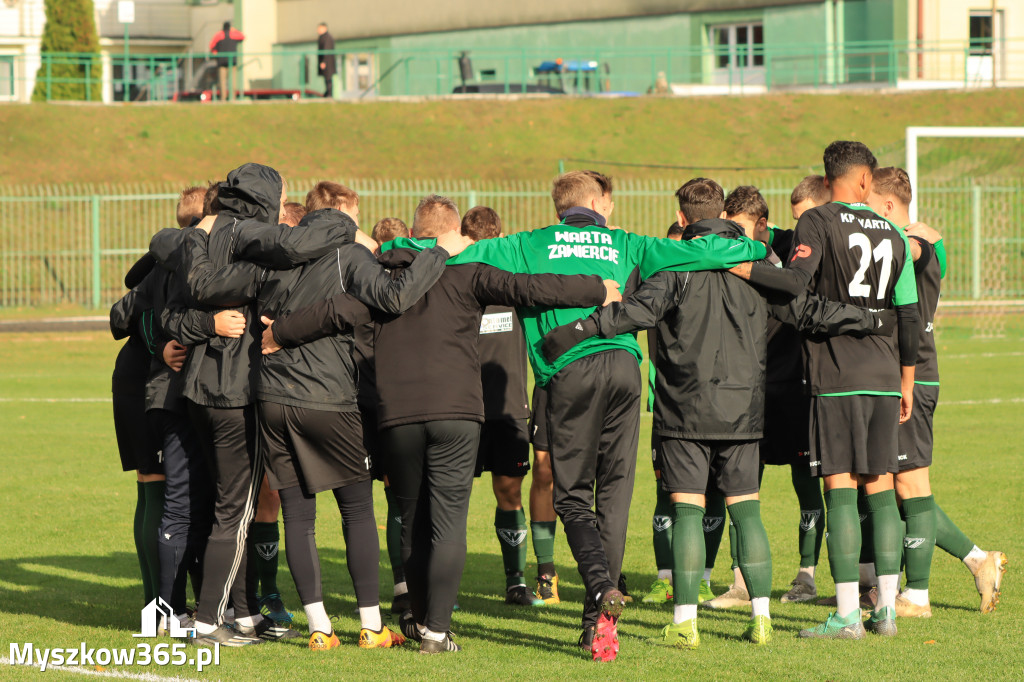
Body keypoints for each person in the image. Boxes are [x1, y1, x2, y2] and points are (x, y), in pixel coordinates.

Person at [264, 194, 619, 655]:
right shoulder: (469, 273)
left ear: (416, 231)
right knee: (449, 522)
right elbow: (533, 288)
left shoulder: (383, 281)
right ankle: (435, 632)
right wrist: (597, 290)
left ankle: (414, 613)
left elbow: (334, 312)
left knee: (410, 518)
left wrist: (277, 333)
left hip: (399, 417)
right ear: (451, 235)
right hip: (457, 414)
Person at [543, 178, 889, 648]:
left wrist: (577, 331)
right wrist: (868, 318)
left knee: (688, 512)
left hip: (685, 408)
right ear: (723, 215)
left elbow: (631, 314)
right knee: (748, 513)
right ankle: (762, 618)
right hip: (745, 408)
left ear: (682, 219)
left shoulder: (675, 266)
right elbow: (809, 311)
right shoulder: (754, 267)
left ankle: (685, 622)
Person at [444, 170, 769, 661]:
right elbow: (698, 252)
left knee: (572, 497)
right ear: (599, 202)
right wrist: (755, 250)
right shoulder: (626, 241)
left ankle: (598, 587)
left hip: (570, 372)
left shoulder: (527, 244)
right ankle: (598, 626)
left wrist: (392, 247)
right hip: (624, 369)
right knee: (614, 500)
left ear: (561, 207)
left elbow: (455, 253)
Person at [730, 141, 921, 640]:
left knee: (839, 486)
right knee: (879, 489)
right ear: (864, 181)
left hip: (837, 375)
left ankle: (846, 615)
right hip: (884, 377)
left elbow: (795, 284)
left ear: (834, 177)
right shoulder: (895, 234)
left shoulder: (818, 222)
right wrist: (905, 383)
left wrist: (748, 270)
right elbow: (909, 315)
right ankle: (887, 613)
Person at [867, 167, 1008, 617]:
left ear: (888, 206)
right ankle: (977, 560)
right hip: (901, 376)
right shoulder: (928, 244)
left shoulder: (913, 244)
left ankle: (919, 596)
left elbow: (917, 251)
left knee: (911, 484)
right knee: (896, 484)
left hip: (914, 376)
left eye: (870, 207)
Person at [461, 206, 538, 606]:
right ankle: (443, 586)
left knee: (508, 493)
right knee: (454, 497)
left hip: (506, 408)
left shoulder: (515, 288)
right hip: (463, 409)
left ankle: (515, 581)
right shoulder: (454, 285)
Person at [209, 21, 244, 101]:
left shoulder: (218, 34)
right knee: (233, 81)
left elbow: (211, 45)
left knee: (222, 81)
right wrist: (235, 30)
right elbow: (242, 36)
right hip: (232, 61)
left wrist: (215, 53)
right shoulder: (233, 34)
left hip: (221, 61)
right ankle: (233, 98)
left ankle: (223, 98)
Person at [317, 23, 336, 98]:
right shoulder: (322, 37)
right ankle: (327, 93)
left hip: (328, 63)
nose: (318, 30)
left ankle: (329, 94)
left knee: (328, 78)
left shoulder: (327, 38)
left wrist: (324, 61)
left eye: (320, 28)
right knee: (326, 78)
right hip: (326, 62)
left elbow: (326, 50)